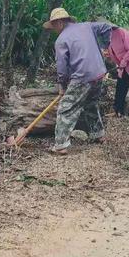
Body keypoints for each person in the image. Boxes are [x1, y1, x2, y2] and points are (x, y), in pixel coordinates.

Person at [44, 8, 112, 155]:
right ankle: (98, 135)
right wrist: (105, 47)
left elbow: (62, 69)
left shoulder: (61, 40)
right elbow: (107, 26)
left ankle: (61, 144)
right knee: (90, 104)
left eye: (54, 26)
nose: (54, 30)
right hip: (100, 73)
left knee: (66, 108)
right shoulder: (87, 26)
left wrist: (62, 86)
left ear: (60, 22)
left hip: (83, 76)